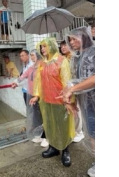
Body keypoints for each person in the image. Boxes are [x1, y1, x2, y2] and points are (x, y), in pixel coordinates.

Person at [30, 37, 74, 167]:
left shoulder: (62, 61)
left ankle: (65, 150)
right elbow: (38, 81)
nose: (42, 49)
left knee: (63, 126)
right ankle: (53, 147)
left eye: (45, 46)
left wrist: (67, 100)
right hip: (46, 101)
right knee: (49, 126)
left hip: (60, 101)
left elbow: (66, 81)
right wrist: (36, 95)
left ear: (52, 46)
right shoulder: (42, 64)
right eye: (41, 47)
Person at [64, 27, 95, 177]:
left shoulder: (95, 52)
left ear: (84, 37)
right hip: (87, 102)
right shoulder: (78, 57)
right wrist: (71, 96)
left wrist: (72, 89)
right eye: (69, 39)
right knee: (92, 132)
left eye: (74, 38)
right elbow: (77, 81)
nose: (71, 42)